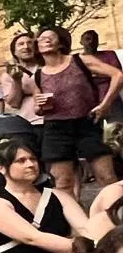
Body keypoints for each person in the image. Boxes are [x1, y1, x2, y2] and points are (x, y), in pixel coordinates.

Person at [32, 25, 120, 197]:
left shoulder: (79, 60)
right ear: (38, 46)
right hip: (56, 129)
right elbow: (37, 109)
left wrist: (105, 104)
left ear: (60, 43)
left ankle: (117, 214)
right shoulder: (39, 74)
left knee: (107, 177)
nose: (47, 40)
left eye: (52, 37)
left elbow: (117, 75)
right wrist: (40, 106)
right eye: (42, 38)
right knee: (63, 183)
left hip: (86, 123)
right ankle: (74, 222)